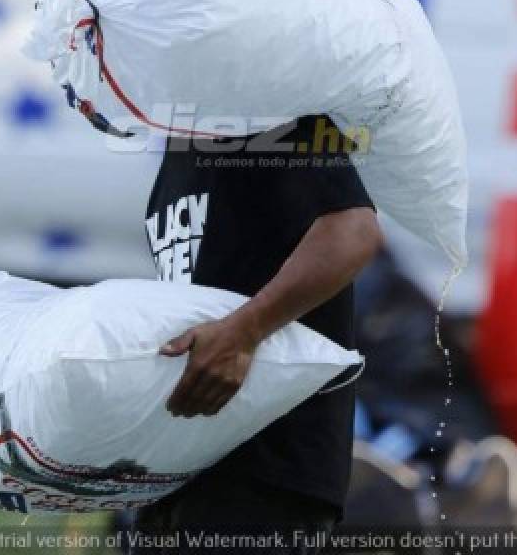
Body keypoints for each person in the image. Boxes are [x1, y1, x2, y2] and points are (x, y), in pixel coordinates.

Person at [135, 114, 383, 553]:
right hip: (185, 475)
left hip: (265, 473)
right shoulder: (177, 153)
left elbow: (352, 230)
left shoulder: (262, 108)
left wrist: (243, 333)